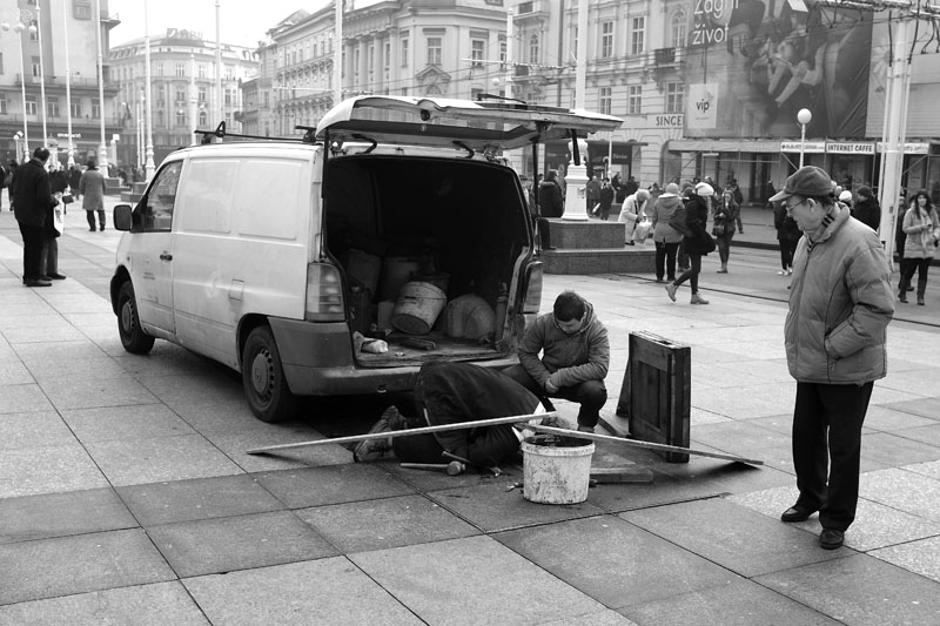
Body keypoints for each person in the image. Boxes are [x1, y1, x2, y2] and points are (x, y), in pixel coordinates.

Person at [770, 165, 894, 550]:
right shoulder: (810, 236)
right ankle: (811, 496)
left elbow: (877, 308)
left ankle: (836, 518)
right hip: (811, 360)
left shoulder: (860, 241)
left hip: (846, 366)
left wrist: (833, 345)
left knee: (842, 446)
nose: (786, 212)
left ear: (812, 204)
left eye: (790, 205)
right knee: (805, 437)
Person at [352, 362, 550, 466]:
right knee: (459, 455)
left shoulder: (533, 404)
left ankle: (401, 423)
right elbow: (481, 456)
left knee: (463, 436)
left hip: (443, 380)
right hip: (438, 389)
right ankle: (387, 440)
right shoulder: (519, 429)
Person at [503, 291, 609, 433]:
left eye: (570, 326)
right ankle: (545, 412)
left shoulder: (597, 330)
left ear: (583, 317)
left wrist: (561, 377)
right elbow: (526, 352)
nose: (564, 329)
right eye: (560, 325)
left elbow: (600, 367)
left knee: (596, 392)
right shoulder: (544, 323)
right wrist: (544, 378)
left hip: (578, 383)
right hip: (546, 378)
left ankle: (586, 425)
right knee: (510, 377)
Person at [12, 147, 58, 287]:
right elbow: (43, 197)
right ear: (46, 159)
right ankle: (34, 277)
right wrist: (53, 201)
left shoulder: (20, 169)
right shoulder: (41, 172)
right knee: (36, 247)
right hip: (35, 215)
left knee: (28, 246)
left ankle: (29, 275)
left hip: (21, 213)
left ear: (34, 155)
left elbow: (14, 188)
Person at [666, 181, 713, 305]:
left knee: (695, 268)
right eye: (707, 196)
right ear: (703, 195)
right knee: (696, 268)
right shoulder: (694, 204)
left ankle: (694, 295)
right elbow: (692, 222)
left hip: (695, 238)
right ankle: (674, 285)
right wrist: (703, 235)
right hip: (694, 239)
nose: (708, 198)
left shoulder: (695, 202)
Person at [897, 190, 939, 305]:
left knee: (923, 272)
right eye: (919, 198)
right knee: (909, 271)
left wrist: (935, 236)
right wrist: (921, 227)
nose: (922, 200)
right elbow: (905, 228)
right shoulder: (911, 212)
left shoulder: (932, 211)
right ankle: (903, 292)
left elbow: (937, 226)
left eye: (924, 198)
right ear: (916, 200)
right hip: (914, 246)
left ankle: (921, 297)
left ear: (927, 199)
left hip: (927, 245)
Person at [650, 182, 684, 283]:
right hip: (674, 231)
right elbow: (682, 217)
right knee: (672, 256)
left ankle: (659, 276)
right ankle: (671, 276)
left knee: (659, 255)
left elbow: (654, 218)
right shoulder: (679, 203)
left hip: (660, 231)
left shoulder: (658, 202)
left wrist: (655, 226)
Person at [713, 188, 739, 273]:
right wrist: (719, 216)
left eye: (728, 197)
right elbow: (715, 216)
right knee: (721, 247)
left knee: (726, 247)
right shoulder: (720, 205)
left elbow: (732, 217)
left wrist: (726, 210)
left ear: (731, 197)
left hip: (729, 229)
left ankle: (724, 266)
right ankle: (723, 265)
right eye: (725, 197)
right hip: (720, 228)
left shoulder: (735, 206)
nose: (726, 198)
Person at [773, 199, 801, 276]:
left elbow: (778, 222)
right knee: (792, 250)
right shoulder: (794, 207)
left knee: (784, 250)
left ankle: (785, 268)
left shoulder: (780, 208)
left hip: (783, 233)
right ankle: (791, 266)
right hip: (792, 234)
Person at [79, 159, 107, 231]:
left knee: (89, 212)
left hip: (89, 195)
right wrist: (102, 192)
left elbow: (81, 185)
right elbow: (104, 185)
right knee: (101, 211)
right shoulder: (99, 174)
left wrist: (82, 192)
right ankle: (102, 224)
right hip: (98, 195)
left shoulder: (85, 174)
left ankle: (93, 227)